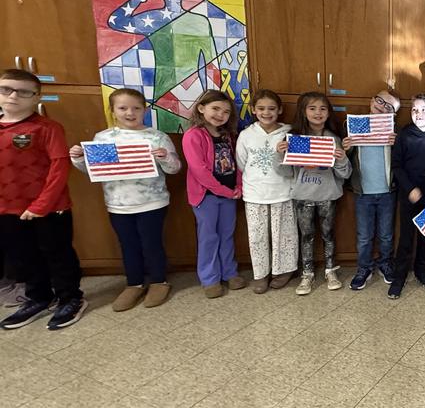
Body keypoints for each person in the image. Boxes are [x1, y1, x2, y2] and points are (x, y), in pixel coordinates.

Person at [69, 88, 181, 311]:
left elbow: (175, 168)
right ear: (112, 110)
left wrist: (165, 156)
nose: (130, 112)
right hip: (118, 205)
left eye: (136, 108)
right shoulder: (104, 138)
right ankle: (134, 283)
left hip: (153, 202)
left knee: (152, 244)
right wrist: (78, 159)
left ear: (144, 110)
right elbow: (94, 170)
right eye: (123, 108)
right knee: (128, 245)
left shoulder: (156, 137)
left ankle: (159, 281)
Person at [0, 69, 87, 330]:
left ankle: (70, 298)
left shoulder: (46, 128)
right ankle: (39, 297)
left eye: (23, 91)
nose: (14, 96)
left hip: (50, 208)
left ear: (37, 96)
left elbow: (59, 168)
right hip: (7, 208)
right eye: (7, 89)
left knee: (57, 254)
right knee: (22, 256)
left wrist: (41, 205)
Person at [276, 92, 352, 295]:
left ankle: (330, 269)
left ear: (328, 113)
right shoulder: (295, 138)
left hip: (328, 196)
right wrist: (280, 155)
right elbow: (284, 172)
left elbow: (345, 174)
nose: (318, 113)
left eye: (323, 108)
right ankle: (307, 273)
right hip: (303, 196)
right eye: (312, 108)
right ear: (303, 111)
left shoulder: (333, 138)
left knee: (328, 235)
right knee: (306, 235)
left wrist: (342, 158)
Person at [183, 90, 245, 298]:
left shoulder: (228, 136)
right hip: (206, 197)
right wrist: (224, 191)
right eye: (215, 109)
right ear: (201, 108)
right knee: (209, 237)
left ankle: (229, 272)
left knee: (227, 235)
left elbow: (236, 165)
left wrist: (238, 188)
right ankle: (209, 278)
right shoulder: (193, 135)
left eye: (226, 112)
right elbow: (199, 170)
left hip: (229, 196)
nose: (220, 115)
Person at [237, 89, 297, 294]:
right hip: (255, 194)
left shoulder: (289, 133)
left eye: (271, 108)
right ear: (253, 110)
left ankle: (284, 270)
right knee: (257, 236)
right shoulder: (246, 135)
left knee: (284, 235)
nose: (266, 112)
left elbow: (296, 164)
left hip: (283, 191)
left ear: (279, 110)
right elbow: (241, 163)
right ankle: (260, 273)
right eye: (261, 108)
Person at [389, 93, 425, 299]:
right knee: (406, 237)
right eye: (415, 109)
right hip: (408, 195)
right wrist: (410, 188)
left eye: (424, 110)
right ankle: (399, 278)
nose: (418, 113)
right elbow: (397, 166)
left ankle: (421, 271)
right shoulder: (404, 136)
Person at [343, 90, 400, 290]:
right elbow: (344, 160)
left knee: (386, 235)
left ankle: (385, 264)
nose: (382, 105)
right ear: (371, 100)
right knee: (364, 236)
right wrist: (346, 147)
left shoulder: (395, 132)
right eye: (379, 100)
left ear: (393, 114)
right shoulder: (356, 126)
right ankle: (364, 268)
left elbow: (403, 161)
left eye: (389, 106)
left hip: (387, 192)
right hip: (363, 192)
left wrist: (397, 145)